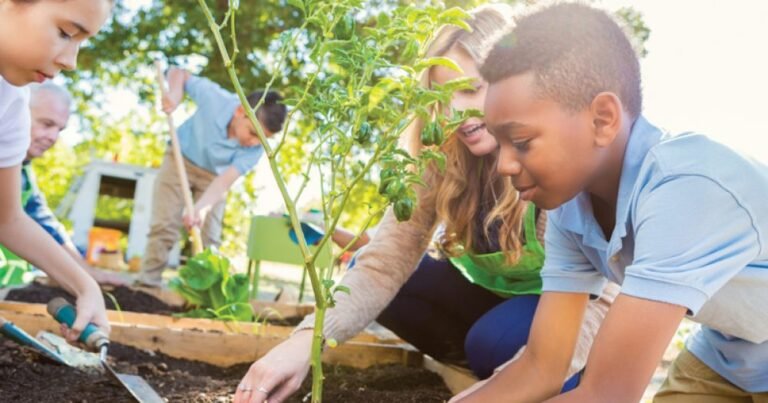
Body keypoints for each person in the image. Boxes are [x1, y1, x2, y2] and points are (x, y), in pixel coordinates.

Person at [232, 5, 616, 403]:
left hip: (571, 312)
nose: (456, 113)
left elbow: (603, 301)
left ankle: (521, 374)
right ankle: (480, 371)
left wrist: (502, 389)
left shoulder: (555, 162)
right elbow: (383, 264)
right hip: (499, 304)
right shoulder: (440, 158)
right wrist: (303, 344)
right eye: (443, 96)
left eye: (471, 89)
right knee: (392, 285)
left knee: (492, 341)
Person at [454, 3, 768, 402]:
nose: (503, 165)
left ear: (602, 119)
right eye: (498, 144)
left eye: (520, 142)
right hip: (728, 357)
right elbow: (540, 367)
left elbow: (607, 394)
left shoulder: (688, 189)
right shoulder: (571, 212)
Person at [0, 0, 113, 342]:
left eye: (81, 43)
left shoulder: (11, 104)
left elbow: (7, 218)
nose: (71, 61)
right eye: (66, 33)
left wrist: (84, 285)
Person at [137, 68, 287, 287]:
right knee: (165, 225)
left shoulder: (255, 150)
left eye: (263, 139)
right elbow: (179, 72)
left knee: (210, 237)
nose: (255, 142)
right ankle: (147, 285)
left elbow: (224, 182)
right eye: (253, 133)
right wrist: (176, 94)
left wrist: (202, 207)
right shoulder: (216, 99)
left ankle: (204, 292)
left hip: (214, 177)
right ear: (239, 111)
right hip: (181, 159)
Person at [0, 82, 128, 286]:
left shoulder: (25, 171)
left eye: (60, 129)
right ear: (17, 112)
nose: (53, 137)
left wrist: (86, 276)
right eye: (46, 124)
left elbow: (47, 227)